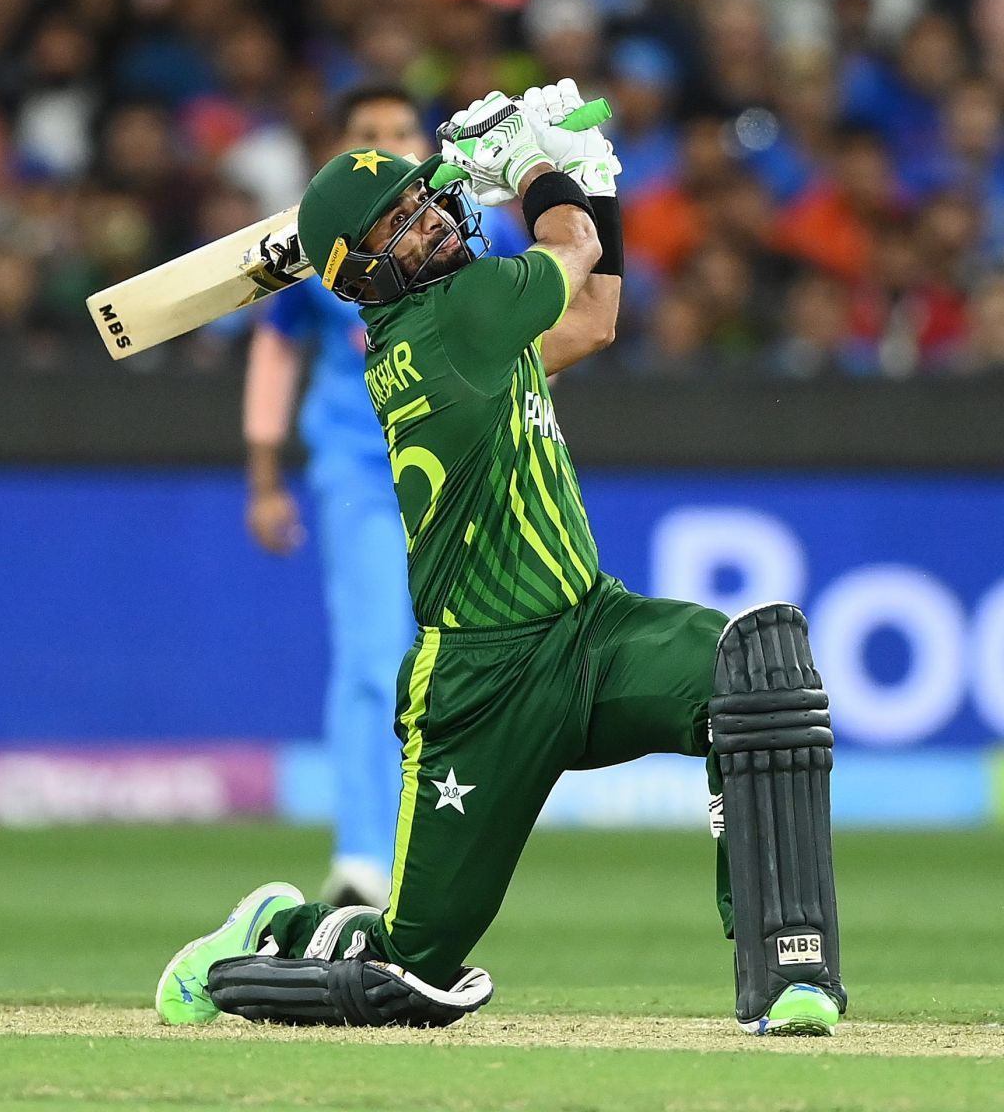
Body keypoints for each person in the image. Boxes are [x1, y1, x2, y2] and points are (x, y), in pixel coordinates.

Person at [160, 83, 846, 1037]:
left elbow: (595, 315)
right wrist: (537, 166)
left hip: (591, 629)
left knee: (757, 670)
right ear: (360, 275)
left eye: (418, 199)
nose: (430, 219)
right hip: (481, 682)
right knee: (413, 968)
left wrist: (587, 185)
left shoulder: (467, 319)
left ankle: (787, 974)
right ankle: (274, 932)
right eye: (398, 222)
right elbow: (573, 252)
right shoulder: (452, 323)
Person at [243, 86, 537, 907]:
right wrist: (265, 476)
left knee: (466, 660)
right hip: (361, 468)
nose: (383, 144)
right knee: (375, 660)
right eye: (365, 135)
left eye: (398, 132)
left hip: (464, 465)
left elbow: (537, 336)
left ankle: (444, 851)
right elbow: (273, 356)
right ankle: (366, 858)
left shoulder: (486, 227)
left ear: (424, 142)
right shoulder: (311, 245)